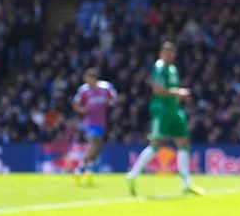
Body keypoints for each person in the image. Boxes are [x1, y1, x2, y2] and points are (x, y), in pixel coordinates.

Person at [125, 41, 204, 195]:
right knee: (156, 144)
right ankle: (132, 175)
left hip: (174, 110)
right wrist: (178, 93)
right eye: (166, 53)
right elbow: (157, 90)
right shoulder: (159, 67)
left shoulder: (173, 69)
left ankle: (186, 183)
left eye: (172, 53)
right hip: (161, 111)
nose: (169, 56)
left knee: (183, 143)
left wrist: (178, 96)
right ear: (161, 54)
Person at [71, 68, 116, 185]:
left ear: (94, 79)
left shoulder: (105, 87)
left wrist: (111, 103)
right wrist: (82, 110)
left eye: (89, 79)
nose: (87, 81)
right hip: (90, 122)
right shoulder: (84, 90)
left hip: (102, 122)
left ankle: (85, 169)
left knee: (97, 147)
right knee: (94, 143)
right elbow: (75, 103)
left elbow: (114, 98)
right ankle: (81, 168)